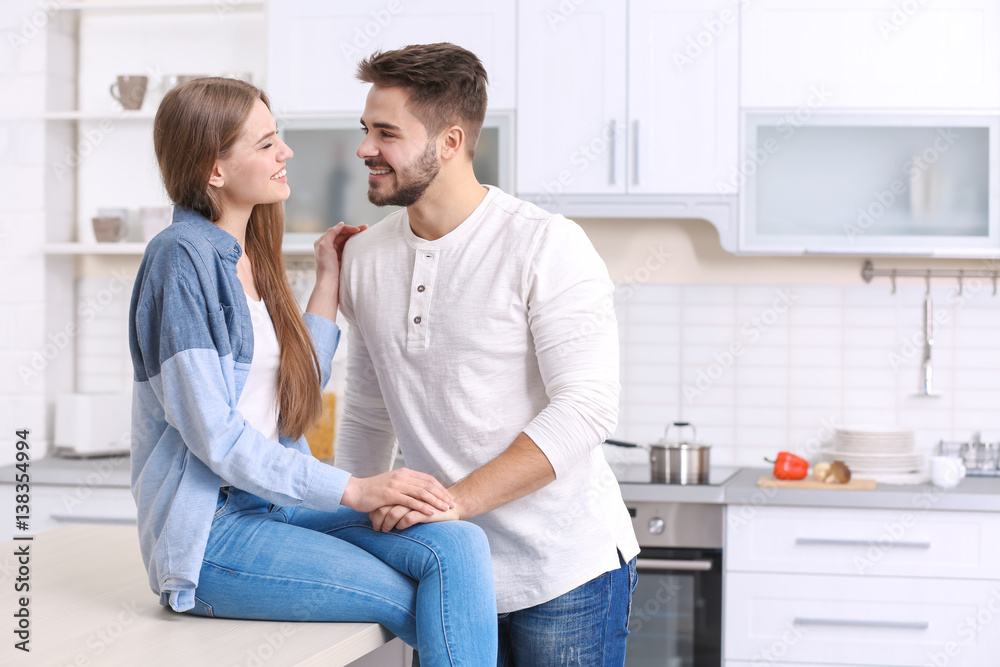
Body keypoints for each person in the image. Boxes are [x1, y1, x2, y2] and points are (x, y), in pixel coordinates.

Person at [127, 76, 497, 666]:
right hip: (212, 532)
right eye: (267, 143)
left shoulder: (250, 253)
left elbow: (288, 393)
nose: (286, 153)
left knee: (459, 545)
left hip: (276, 503)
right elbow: (214, 436)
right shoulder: (179, 258)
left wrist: (328, 278)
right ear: (214, 169)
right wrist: (353, 488)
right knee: (417, 597)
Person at [335, 44, 640, 665]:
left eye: (386, 133)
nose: (366, 149)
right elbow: (369, 412)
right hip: (447, 575)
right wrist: (351, 523)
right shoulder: (364, 259)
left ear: (450, 142)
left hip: (562, 571)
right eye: (366, 130)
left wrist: (453, 503)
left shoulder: (545, 244)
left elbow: (585, 409)